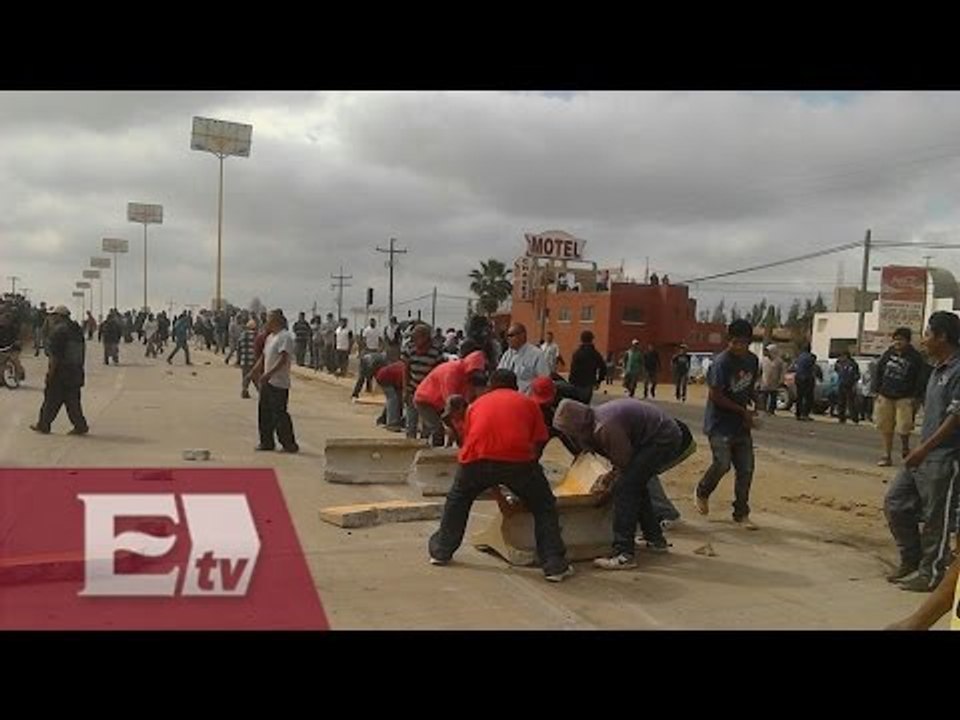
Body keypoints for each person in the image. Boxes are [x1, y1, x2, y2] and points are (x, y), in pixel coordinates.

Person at [427, 372, 574, 583]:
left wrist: (494, 484)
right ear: (514, 386)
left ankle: (441, 551)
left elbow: (472, 441)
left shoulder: (476, 405)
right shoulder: (528, 403)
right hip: (518, 462)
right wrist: (531, 475)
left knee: (458, 500)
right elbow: (539, 441)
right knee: (544, 506)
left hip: (475, 462)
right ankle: (553, 565)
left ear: (490, 386)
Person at [554, 397, 694, 569]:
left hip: (663, 438)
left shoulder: (605, 427)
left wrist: (609, 486)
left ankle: (624, 553)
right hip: (650, 437)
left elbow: (623, 463)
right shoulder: (594, 422)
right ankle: (655, 540)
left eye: (569, 431)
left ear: (577, 425)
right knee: (636, 485)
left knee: (625, 489)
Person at [883, 312, 960, 593]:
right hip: (924, 454)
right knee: (895, 502)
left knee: (936, 518)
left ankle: (932, 573)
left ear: (942, 337)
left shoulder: (958, 370)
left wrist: (924, 449)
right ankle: (912, 559)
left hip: (945, 457)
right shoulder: (936, 369)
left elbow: (956, 418)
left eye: (928, 334)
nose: (923, 340)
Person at [694, 319, 761, 529]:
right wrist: (742, 411)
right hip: (719, 424)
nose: (739, 347)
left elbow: (749, 387)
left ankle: (741, 513)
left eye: (744, 343)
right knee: (722, 463)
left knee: (746, 469)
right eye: (735, 342)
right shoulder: (721, 363)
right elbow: (716, 396)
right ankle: (702, 491)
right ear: (728, 341)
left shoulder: (752, 360)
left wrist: (754, 403)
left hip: (741, 425)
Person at [30, 306, 88, 435]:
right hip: (76, 371)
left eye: (53, 316)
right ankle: (80, 425)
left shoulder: (59, 331)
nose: (51, 318)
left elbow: (55, 356)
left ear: (59, 316)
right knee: (73, 400)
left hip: (61, 372)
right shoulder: (77, 329)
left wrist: (50, 373)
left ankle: (43, 425)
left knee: (51, 399)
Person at [874, 327, 927, 466]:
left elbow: (920, 378)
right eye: (896, 339)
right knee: (885, 426)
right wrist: (877, 390)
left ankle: (905, 447)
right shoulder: (887, 354)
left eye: (901, 339)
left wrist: (916, 396)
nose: (898, 342)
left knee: (904, 426)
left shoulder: (915, 357)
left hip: (905, 397)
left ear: (907, 341)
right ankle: (886, 455)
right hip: (886, 395)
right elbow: (879, 371)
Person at [248, 310, 299, 453]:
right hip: (267, 381)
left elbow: (283, 359)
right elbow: (264, 357)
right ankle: (266, 442)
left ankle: (289, 444)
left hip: (278, 382)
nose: (266, 322)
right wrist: (255, 370)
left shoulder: (285, 337)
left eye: (269, 319)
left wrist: (269, 374)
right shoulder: (270, 337)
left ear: (276, 321)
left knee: (279, 414)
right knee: (264, 412)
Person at [414, 350, 488, 446]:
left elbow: (466, 401)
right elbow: (450, 404)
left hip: (439, 401)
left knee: (454, 427)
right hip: (425, 399)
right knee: (438, 429)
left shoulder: (467, 375)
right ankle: (435, 456)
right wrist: (455, 427)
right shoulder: (452, 372)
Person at [402, 324, 444, 440]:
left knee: (427, 423)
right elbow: (406, 370)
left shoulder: (436, 353)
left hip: (428, 394)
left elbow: (439, 373)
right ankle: (409, 446)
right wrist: (405, 389)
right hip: (413, 389)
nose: (413, 340)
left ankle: (423, 447)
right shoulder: (410, 349)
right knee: (411, 422)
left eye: (416, 337)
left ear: (425, 338)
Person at [497, 323, 549, 395]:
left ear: (522, 335)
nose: (508, 339)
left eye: (511, 335)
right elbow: (499, 375)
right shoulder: (507, 355)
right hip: (506, 397)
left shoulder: (536, 354)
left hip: (526, 398)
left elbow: (544, 380)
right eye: (507, 336)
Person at [569, 330, 606, 404]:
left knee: (576, 404)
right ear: (592, 339)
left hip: (576, 383)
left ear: (581, 339)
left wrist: (571, 381)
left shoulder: (577, 353)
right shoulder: (595, 354)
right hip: (589, 383)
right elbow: (603, 368)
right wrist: (598, 381)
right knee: (585, 404)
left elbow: (573, 369)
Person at [375, 358, 405, 431]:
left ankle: (384, 418)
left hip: (389, 377)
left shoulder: (406, 367)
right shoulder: (406, 371)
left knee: (395, 399)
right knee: (393, 399)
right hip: (384, 377)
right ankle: (392, 423)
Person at [791, 342, 818, 421]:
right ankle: (805, 414)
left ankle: (798, 414)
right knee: (809, 397)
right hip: (807, 378)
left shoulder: (799, 357)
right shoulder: (811, 357)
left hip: (798, 378)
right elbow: (813, 367)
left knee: (799, 396)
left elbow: (795, 367)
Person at [834, 350, 861, 424]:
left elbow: (857, 375)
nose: (841, 358)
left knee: (850, 402)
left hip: (850, 385)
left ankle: (854, 418)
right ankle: (841, 418)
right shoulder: (839, 363)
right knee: (841, 402)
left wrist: (854, 383)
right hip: (841, 384)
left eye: (842, 356)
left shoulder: (853, 364)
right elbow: (836, 370)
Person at [759, 345, 785, 415]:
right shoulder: (763, 360)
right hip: (764, 381)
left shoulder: (779, 361)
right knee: (764, 396)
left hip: (774, 381)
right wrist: (758, 380)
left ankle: (771, 410)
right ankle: (763, 410)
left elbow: (782, 371)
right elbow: (759, 370)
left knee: (773, 397)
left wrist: (781, 380)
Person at [238, 319, 257, 399]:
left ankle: (244, 391)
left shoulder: (243, 334)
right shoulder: (257, 335)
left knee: (245, 376)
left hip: (244, 359)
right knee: (255, 377)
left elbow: (239, 347)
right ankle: (260, 391)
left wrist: (238, 359)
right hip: (254, 359)